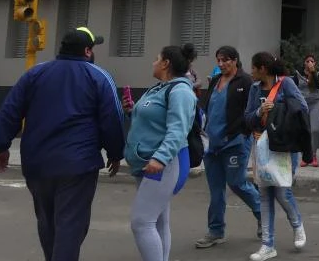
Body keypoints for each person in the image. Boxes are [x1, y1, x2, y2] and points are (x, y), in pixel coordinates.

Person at [0, 27, 123, 261]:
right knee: (70, 224)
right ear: (88, 51)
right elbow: (112, 118)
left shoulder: (35, 74)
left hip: (37, 163)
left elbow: (9, 110)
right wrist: (115, 152)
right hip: (77, 166)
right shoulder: (98, 76)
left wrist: (0, 147)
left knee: (47, 221)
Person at [124, 44, 199, 261]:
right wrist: (131, 111)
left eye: (156, 58)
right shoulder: (160, 88)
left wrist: (160, 158)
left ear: (166, 63)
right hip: (145, 162)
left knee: (141, 223)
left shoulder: (181, 91)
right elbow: (154, 122)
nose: (153, 62)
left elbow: (178, 130)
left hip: (160, 165)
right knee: (158, 221)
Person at [244, 52, 309, 261]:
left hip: (283, 147)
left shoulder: (286, 84)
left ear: (263, 68)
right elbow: (247, 118)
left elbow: (302, 109)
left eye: (253, 67)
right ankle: (267, 245)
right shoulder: (254, 89)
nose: (251, 71)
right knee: (264, 194)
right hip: (261, 146)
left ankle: (297, 225)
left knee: (282, 191)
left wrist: (277, 109)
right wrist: (259, 112)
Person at [195, 46, 261, 249]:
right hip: (212, 145)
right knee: (216, 191)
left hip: (235, 143)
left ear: (235, 60)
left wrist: (245, 132)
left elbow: (253, 109)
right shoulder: (215, 81)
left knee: (237, 183)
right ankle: (215, 231)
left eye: (225, 60)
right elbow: (207, 108)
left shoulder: (246, 82)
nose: (221, 64)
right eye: (219, 60)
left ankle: (264, 215)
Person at [295, 54, 319, 168]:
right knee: (304, 130)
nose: (309, 63)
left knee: (314, 130)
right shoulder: (298, 73)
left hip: (315, 103)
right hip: (303, 104)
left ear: (315, 63)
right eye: (307, 61)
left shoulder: (318, 73)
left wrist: (313, 72)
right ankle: (305, 156)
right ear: (304, 63)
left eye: (312, 61)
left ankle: (313, 155)